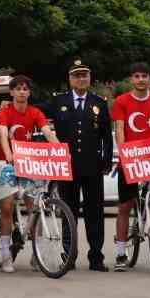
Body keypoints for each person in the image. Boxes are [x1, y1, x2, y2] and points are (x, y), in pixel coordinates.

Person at [48, 59, 111, 272]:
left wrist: (107, 160)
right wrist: (6, 104)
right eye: (77, 75)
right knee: (68, 211)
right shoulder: (58, 101)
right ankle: (69, 256)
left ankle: (96, 257)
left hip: (93, 165)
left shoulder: (99, 102)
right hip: (68, 165)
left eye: (85, 75)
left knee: (95, 212)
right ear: (70, 79)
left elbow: (105, 135)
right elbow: (36, 115)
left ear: (89, 78)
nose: (81, 78)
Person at [112, 62, 150, 271]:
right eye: (137, 76)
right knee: (124, 206)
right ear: (131, 79)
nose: (141, 79)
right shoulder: (121, 101)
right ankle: (121, 253)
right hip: (130, 157)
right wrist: (123, 153)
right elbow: (120, 129)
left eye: (144, 76)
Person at [0, 74, 57, 273]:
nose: (22, 92)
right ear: (12, 92)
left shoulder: (35, 112)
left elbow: (48, 132)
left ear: (29, 92)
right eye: (18, 88)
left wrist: (59, 148)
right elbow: (3, 134)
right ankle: (5, 252)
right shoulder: (5, 112)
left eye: (25, 89)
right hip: (7, 162)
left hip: (29, 162)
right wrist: (10, 154)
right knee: (7, 205)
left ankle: (36, 252)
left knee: (35, 205)